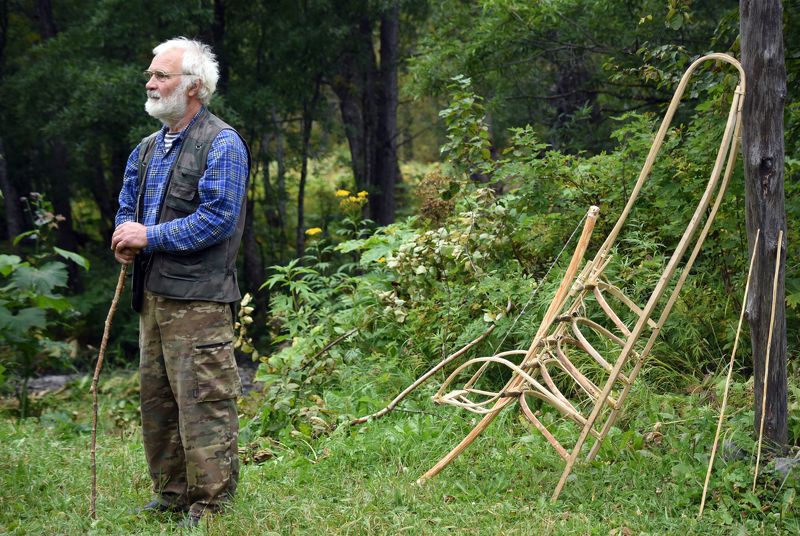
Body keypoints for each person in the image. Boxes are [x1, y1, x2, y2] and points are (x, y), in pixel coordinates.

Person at [111, 37, 249, 529]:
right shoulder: (146, 149)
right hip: (152, 297)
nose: (150, 83)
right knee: (158, 401)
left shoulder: (223, 143)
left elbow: (217, 218)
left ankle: (211, 506)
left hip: (201, 301)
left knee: (204, 403)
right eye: (150, 74)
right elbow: (128, 207)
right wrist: (125, 234)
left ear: (193, 87)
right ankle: (170, 496)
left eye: (161, 75)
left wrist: (148, 235)